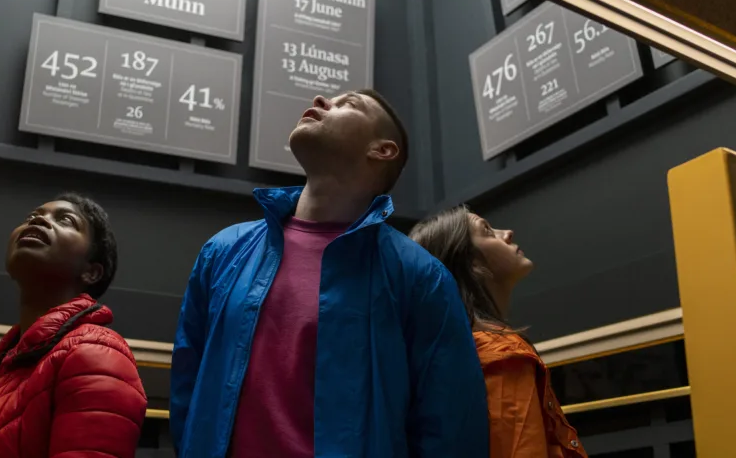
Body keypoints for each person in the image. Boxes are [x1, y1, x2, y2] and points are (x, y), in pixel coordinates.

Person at [171, 90, 488, 458]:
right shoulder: (222, 252)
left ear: (382, 150)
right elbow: (186, 392)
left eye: (348, 103)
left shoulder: (421, 277)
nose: (321, 99)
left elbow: (451, 427)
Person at [0, 193, 148, 458]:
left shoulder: (95, 352)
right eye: (32, 217)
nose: (39, 221)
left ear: (91, 271)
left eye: (66, 220)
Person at [409, 206, 587, 458]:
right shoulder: (500, 355)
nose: (508, 233)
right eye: (488, 232)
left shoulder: (443, 355)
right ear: (470, 263)